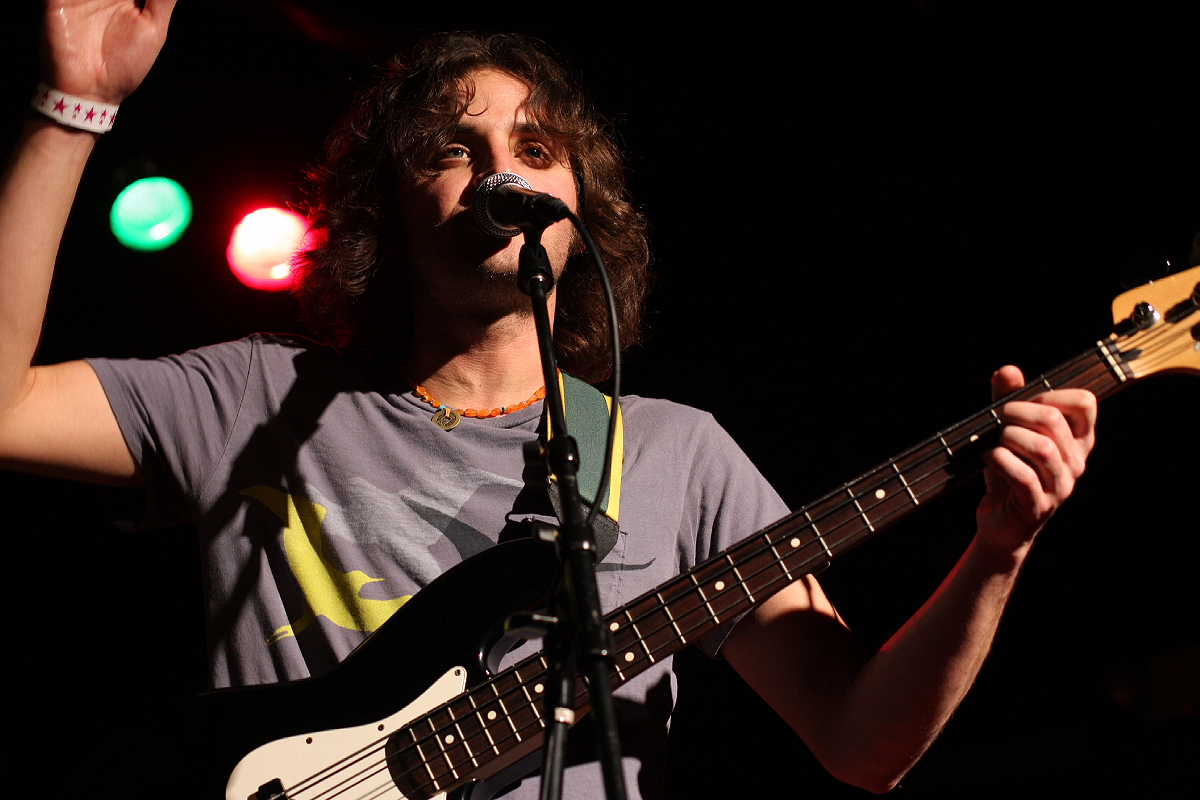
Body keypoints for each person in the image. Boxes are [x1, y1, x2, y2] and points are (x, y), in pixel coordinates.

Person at [0, 2, 1098, 798]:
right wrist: (73, 108)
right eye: (454, 148)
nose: (501, 171)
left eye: (534, 147)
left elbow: (863, 742)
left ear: (579, 203)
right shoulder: (257, 396)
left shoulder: (675, 453)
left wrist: (997, 551)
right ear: (388, 212)